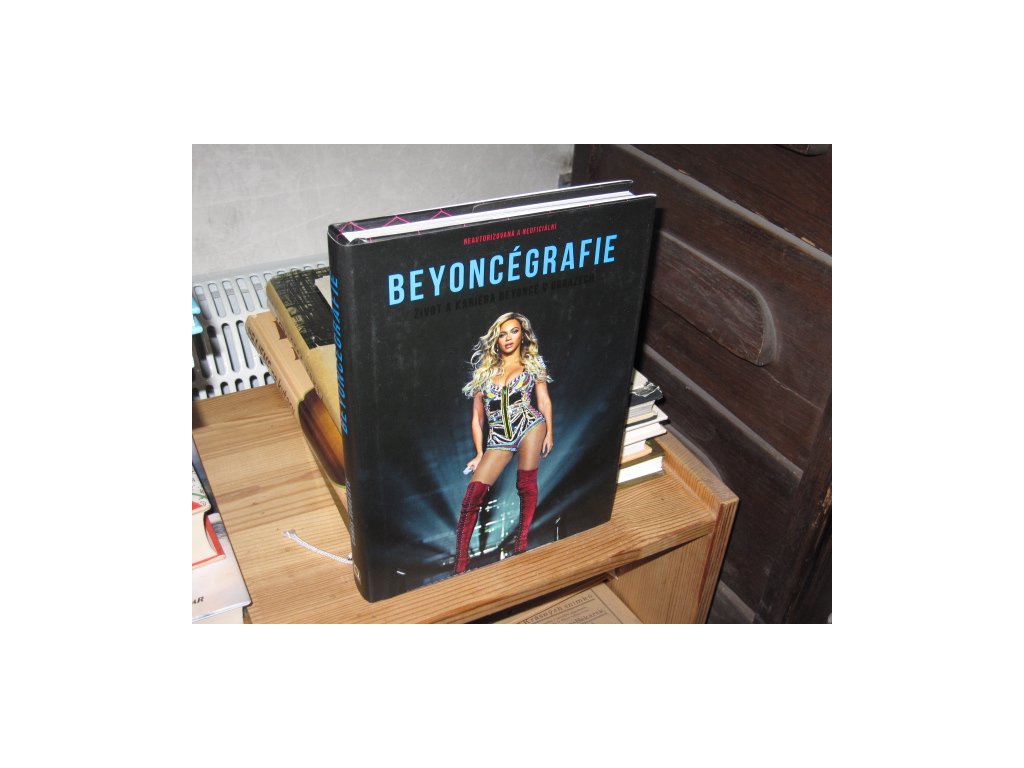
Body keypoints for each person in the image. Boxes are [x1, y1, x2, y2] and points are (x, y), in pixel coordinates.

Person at [454, 311, 553, 574]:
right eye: (502, 334)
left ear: (522, 335)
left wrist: (550, 432)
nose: (508, 338)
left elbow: (543, 400)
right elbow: (477, 418)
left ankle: (521, 544)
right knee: (471, 497)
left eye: (514, 331)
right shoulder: (483, 374)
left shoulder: (534, 364)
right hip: (498, 438)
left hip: (530, 424)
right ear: (496, 339)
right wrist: (479, 453)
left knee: (525, 484)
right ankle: (460, 563)